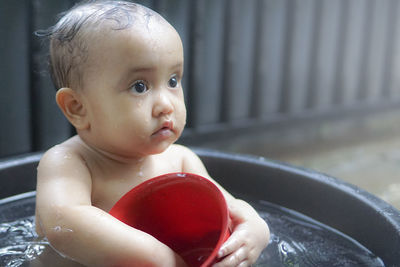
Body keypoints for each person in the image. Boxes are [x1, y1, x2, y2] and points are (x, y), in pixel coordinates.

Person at [34, 1, 269, 266]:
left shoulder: (181, 161)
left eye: (173, 81)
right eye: (139, 86)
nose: (166, 105)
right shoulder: (69, 163)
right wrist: (156, 256)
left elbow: (231, 209)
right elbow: (63, 225)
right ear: (78, 108)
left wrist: (254, 228)